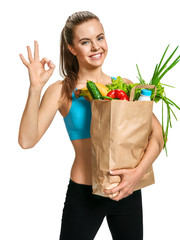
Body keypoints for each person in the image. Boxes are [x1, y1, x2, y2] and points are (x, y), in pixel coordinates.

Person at [18, 11, 164, 240]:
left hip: (127, 190)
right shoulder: (62, 90)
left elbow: (157, 136)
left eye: (100, 37)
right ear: (72, 48)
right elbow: (27, 141)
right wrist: (35, 87)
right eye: (85, 42)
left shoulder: (124, 86)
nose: (96, 47)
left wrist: (136, 175)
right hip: (84, 193)